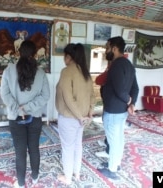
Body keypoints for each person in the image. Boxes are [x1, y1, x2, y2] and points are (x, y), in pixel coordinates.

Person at [0, 40, 50, 188]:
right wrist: (29, 107)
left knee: (20, 151)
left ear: (18, 52)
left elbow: (5, 94)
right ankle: (35, 177)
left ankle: (21, 183)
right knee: (34, 148)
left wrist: (18, 108)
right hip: (35, 117)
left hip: (15, 117)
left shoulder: (8, 70)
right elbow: (45, 96)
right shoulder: (40, 73)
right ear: (35, 54)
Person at [97, 36, 139, 180]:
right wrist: (132, 104)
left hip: (114, 111)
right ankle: (116, 163)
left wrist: (128, 101)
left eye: (107, 48)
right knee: (119, 139)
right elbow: (135, 88)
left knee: (114, 140)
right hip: (121, 112)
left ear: (114, 48)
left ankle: (112, 169)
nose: (106, 51)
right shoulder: (128, 64)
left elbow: (120, 90)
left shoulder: (116, 66)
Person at [55, 43, 96, 185]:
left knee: (68, 147)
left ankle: (67, 177)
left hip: (70, 117)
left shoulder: (67, 71)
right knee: (77, 145)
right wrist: (89, 113)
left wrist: (79, 116)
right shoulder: (85, 71)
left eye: (64, 56)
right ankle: (76, 173)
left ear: (68, 56)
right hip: (82, 118)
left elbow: (67, 97)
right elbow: (92, 95)